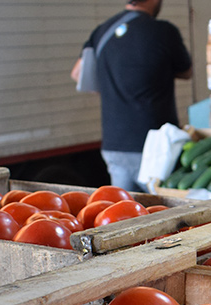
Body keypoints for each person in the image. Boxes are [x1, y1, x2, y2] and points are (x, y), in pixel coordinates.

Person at [72, 0, 193, 191]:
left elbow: (77, 74)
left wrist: (112, 86)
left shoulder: (102, 31)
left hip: (114, 145)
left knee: (125, 206)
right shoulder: (164, 31)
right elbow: (186, 72)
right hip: (155, 146)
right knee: (162, 206)